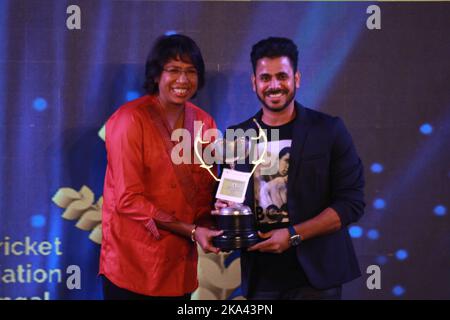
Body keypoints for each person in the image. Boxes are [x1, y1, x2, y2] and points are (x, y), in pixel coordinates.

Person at [216, 37, 365, 300]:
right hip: (260, 277)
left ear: (296, 78)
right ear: (254, 83)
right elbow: (229, 195)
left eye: (282, 76)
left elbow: (351, 203)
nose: (274, 85)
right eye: (265, 78)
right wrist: (224, 209)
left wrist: (293, 235)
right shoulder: (235, 136)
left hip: (316, 278)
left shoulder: (329, 130)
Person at [99, 34, 222, 300]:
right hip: (132, 266)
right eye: (174, 70)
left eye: (190, 71)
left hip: (179, 267)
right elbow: (128, 199)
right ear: (156, 75)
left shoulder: (205, 122)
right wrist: (192, 230)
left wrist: (221, 220)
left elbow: (206, 190)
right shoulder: (128, 120)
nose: (182, 80)